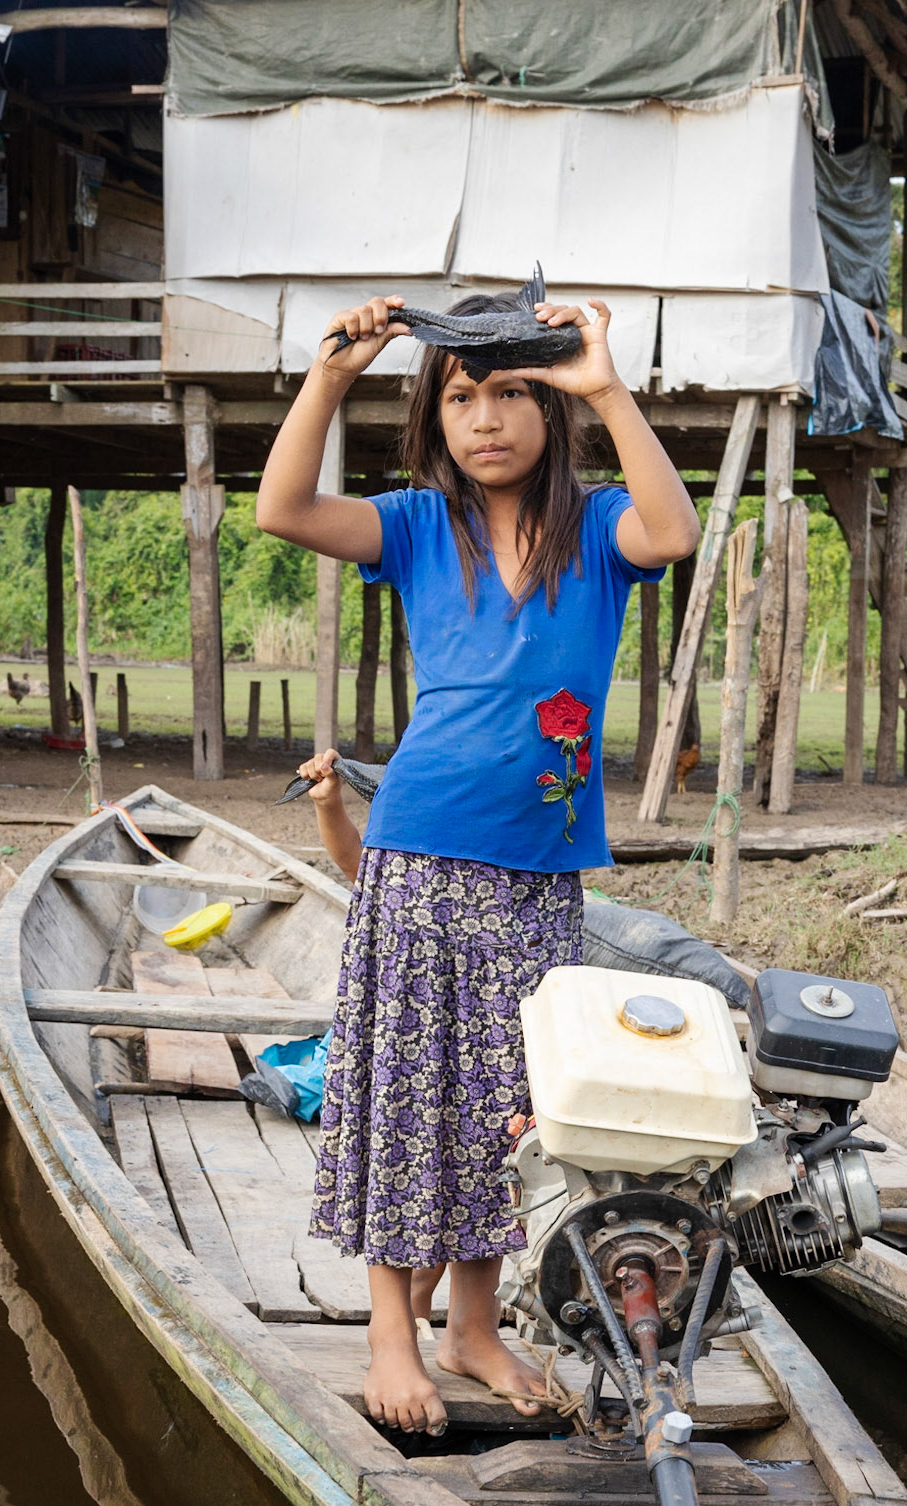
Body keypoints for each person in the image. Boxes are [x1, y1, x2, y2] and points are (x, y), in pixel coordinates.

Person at [255, 290, 701, 1435]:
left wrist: (605, 382)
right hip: (417, 851)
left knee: (510, 1105)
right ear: (435, 417)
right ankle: (390, 1334)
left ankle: (472, 1326)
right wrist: (332, 374)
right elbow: (282, 507)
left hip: (538, 871)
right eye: (461, 397)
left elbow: (675, 532)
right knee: (408, 1089)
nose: (486, 418)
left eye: (511, 392)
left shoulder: (599, 529)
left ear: (551, 408)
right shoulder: (416, 524)